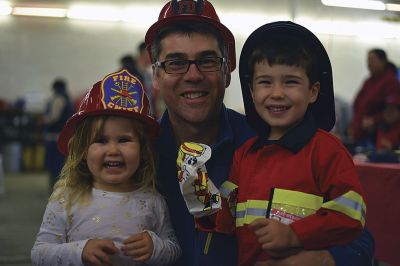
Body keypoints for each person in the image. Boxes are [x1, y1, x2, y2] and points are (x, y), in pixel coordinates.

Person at [145, 0, 374, 265]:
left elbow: (361, 239)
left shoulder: (266, 144)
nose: (193, 75)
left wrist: (321, 258)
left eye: (208, 61)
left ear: (228, 73)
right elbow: (215, 216)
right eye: (175, 63)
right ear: (156, 76)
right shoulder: (135, 151)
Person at [31, 69, 181, 265]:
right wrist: (80, 251)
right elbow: (40, 253)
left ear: (143, 150)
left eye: (124, 140)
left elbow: (174, 249)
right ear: (83, 151)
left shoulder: (153, 201)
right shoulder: (65, 200)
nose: (113, 150)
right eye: (101, 141)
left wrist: (156, 247)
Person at [349, 48, 400, 151]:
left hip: (378, 136)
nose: (369, 64)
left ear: (383, 61)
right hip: (360, 133)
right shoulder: (368, 82)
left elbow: (392, 112)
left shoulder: (390, 82)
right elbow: (358, 104)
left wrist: (374, 120)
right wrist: (353, 125)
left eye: (373, 61)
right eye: (368, 61)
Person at [41, 78, 74, 192]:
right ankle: (61, 188)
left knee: (54, 165)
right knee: (61, 163)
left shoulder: (57, 99)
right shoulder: (68, 98)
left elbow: (54, 117)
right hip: (64, 135)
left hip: (54, 136)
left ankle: (55, 189)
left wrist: (43, 119)